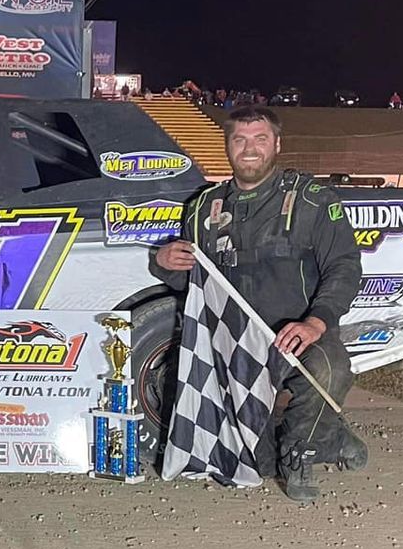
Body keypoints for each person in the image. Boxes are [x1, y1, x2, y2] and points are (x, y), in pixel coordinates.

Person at [156, 107, 366, 503]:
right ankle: (330, 435)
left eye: (260, 139)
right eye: (240, 140)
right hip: (236, 345)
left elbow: (344, 266)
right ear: (227, 147)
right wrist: (165, 264)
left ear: (277, 144)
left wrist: (317, 323)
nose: (249, 149)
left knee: (330, 369)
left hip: (299, 333)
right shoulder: (203, 208)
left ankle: (302, 452)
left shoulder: (311, 200)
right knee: (257, 464)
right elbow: (199, 287)